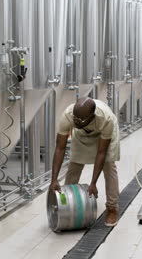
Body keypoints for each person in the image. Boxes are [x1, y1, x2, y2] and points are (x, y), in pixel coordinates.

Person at [49, 97, 120, 226]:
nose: (75, 121)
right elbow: (60, 148)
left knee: (109, 166)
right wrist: (54, 179)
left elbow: (101, 152)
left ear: (91, 116)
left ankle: (112, 208)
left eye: (79, 119)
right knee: (74, 165)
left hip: (104, 133)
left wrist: (93, 183)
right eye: (74, 118)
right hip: (82, 134)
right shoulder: (68, 115)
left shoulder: (105, 119)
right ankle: (66, 203)